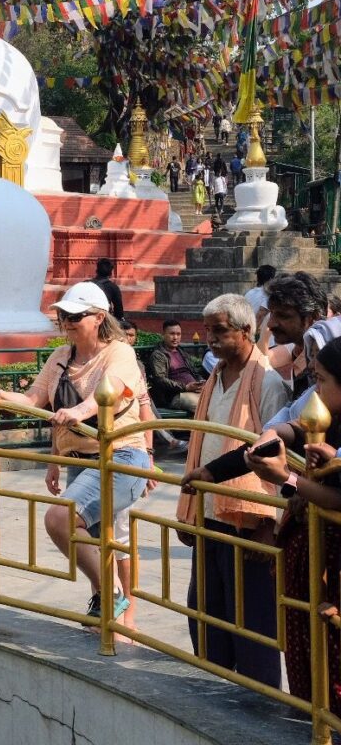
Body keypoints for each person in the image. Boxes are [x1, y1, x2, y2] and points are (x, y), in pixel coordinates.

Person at [0, 282, 150, 621]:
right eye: (63, 315)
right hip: (78, 458)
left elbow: (111, 391)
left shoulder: (120, 352)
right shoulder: (60, 357)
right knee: (95, 542)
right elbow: (34, 400)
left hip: (121, 456)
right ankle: (108, 616)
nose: (67, 322)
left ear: (99, 318)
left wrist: (80, 411)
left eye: (75, 316)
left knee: (65, 520)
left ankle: (116, 599)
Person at [197, 337, 341, 720]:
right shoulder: (323, 410)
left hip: (333, 562)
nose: (315, 390)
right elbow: (288, 426)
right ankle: (311, 718)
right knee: (304, 643)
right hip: (310, 551)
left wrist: (289, 480)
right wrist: (221, 468)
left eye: (322, 380)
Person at [176, 294, 289, 688]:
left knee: (252, 622)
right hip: (208, 514)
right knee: (207, 615)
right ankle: (216, 692)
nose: (210, 338)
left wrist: (269, 522)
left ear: (246, 331)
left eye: (219, 331)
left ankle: (260, 705)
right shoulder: (215, 376)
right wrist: (188, 509)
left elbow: (275, 454)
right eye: (208, 330)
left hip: (249, 518)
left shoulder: (267, 381)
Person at [123, 319, 188, 457]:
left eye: (131, 335)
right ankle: (170, 440)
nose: (127, 339)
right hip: (123, 400)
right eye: (125, 335)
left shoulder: (138, 362)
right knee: (145, 403)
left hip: (140, 398)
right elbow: (160, 380)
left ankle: (171, 440)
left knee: (146, 402)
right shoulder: (113, 357)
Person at [263, 272, 327, 398]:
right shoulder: (297, 353)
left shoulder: (328, 363)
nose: (271, 324)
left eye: (283, 316)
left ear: (312, 317)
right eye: (271, 313)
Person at [147, 319, 204, 414]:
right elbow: (160, 380)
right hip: (176, 396)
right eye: (172, 334)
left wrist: (202, 383)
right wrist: (185, 387)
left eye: (178, 334)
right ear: (163, 334)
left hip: (194, 391)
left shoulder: (181, 352)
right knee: (203, 406)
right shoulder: (159, 355)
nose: (175, 337)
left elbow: (194, 373)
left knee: (218, 401)